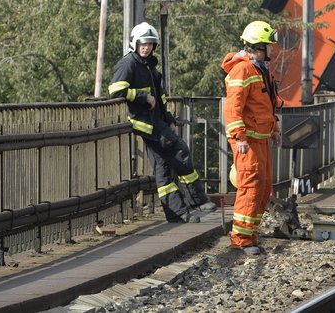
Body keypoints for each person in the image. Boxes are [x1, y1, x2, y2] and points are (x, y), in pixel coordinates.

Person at [109, 22, 217, 223]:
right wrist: (142, 97)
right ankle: (197, 201)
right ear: (135, 43)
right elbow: (115, 89)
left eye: (150, 44)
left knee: (164, 168)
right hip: (145, 123)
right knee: (180, 151)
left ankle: (177, 214)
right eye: (143, 43)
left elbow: (160, 98)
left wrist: (169, 119)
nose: (147, 47)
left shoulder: (148, 65)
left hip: (157, 121)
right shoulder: (128, 63)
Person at [221, 20, 282, 256]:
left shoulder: (259, 69)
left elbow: (265, 106)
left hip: (260, 138)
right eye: (269, 46)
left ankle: (251, 234)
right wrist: (239, 137)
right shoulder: (243, 70)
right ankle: (241, 239)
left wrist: (274, 130)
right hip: (247, 141)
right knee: (250, 187)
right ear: (258, 46)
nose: (272, 50)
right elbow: (233, 108)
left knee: (264, 188)